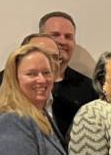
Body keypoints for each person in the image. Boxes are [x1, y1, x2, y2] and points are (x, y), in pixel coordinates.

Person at [38, 11, 100, 140]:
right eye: (54, 35)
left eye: (68, 37)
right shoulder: (16, 79)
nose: (62, 41)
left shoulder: (88, 87)